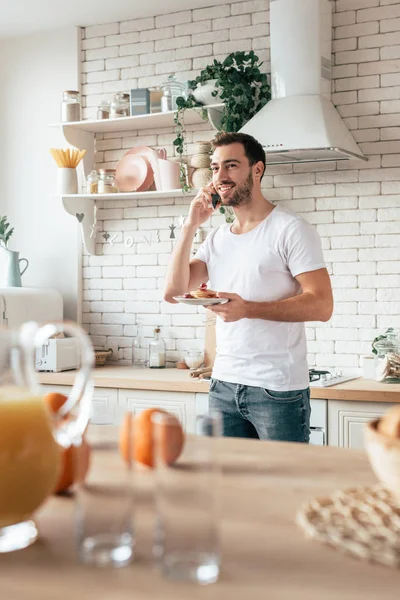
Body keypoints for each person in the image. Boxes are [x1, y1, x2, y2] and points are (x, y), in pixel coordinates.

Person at [164, 132, 333, 442]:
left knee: (280, 489)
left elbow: (322, 305)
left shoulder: (290, 229)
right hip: (223, 386)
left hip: (277, 390)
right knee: (227, 486)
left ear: (257, 169)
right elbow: (174, 292)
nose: (220, 177)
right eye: (215, 168)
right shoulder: (217, 239)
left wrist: (248, 309)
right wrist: (190, 225)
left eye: (231, 166)